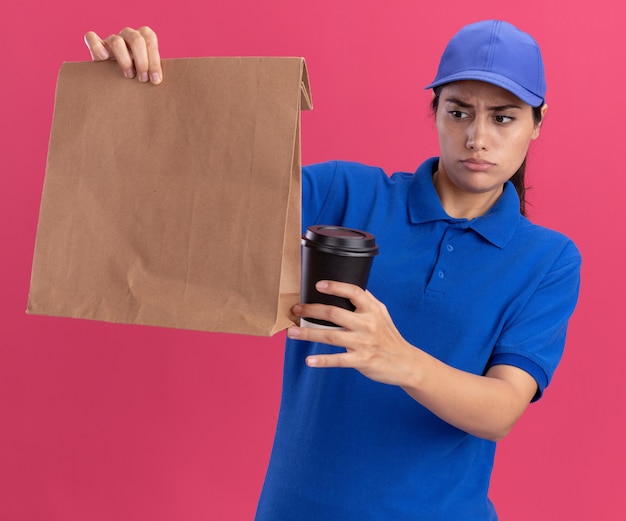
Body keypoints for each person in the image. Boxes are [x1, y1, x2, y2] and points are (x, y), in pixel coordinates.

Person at [84, 20, 581, 520]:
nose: (477, 138)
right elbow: (196, 203)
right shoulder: (345, 194)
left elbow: (502, 409)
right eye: (458, 112)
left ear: (537, 123)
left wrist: (397, 356)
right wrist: (135, 97)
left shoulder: (548, 260)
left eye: (503, 118)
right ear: (434, 112)